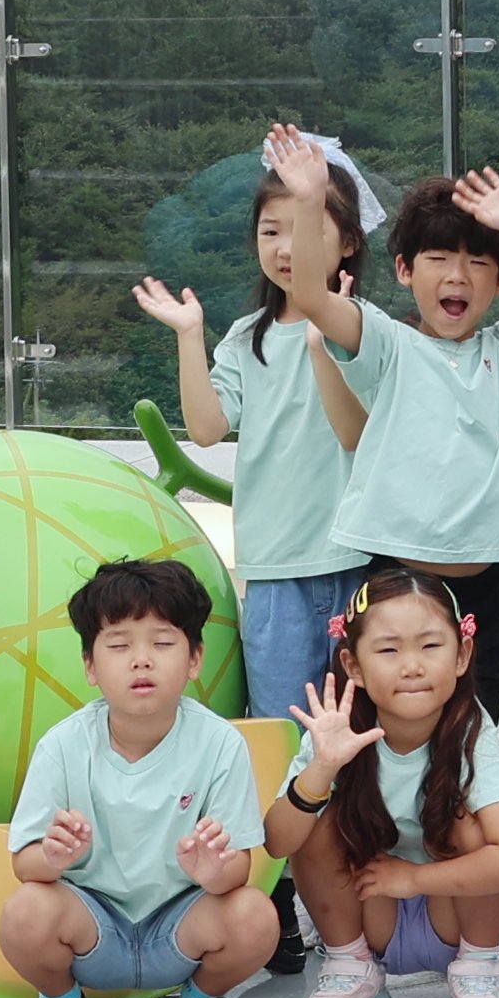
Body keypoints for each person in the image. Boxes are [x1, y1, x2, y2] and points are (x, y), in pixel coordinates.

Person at [264, 117, 499, 716]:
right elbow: (312, 294)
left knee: (472, 732)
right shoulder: (387, 344)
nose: (456, 276)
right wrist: (311, 200)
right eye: (438, 258)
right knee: (382, 730)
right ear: (404, 270)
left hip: (483, 585)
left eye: (477, 262)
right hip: (394, 578)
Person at [0, 558, 274, 998]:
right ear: (90, 666)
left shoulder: (220, 744)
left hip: (180, 929)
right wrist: (54, 858)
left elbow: (239, 868)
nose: (141, 661)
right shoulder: (63, 745)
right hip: (93, 929)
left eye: (163, 643)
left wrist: (213, 872)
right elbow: (24, 863)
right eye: (119, 646)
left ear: (195, 659)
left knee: (255, 915)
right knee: (25, 911)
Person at [129, 138, 373, 713]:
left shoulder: (367, 328)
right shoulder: (247, 338)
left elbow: (356, 434)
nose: (286, 248)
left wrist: (323, 342)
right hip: (274, 571)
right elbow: (207, 428)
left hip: (359, 565)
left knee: (361, 731)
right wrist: (190, 335)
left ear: (349, 242)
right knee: (281, 728)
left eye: (305, 228)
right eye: (270, 231)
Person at [270, 565, 499, 998]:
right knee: (318, 815)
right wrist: (322, 769)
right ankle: (350, 967)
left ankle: (479, 972)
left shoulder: (471, 734)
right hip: (369, 911)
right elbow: (278, 843)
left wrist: (413, 878)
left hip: (457, 916)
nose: (412, 666)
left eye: (430, 646)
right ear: (353, 665)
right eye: (388, 649)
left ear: (462, 655)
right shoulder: (337, 728)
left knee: (473, 822)